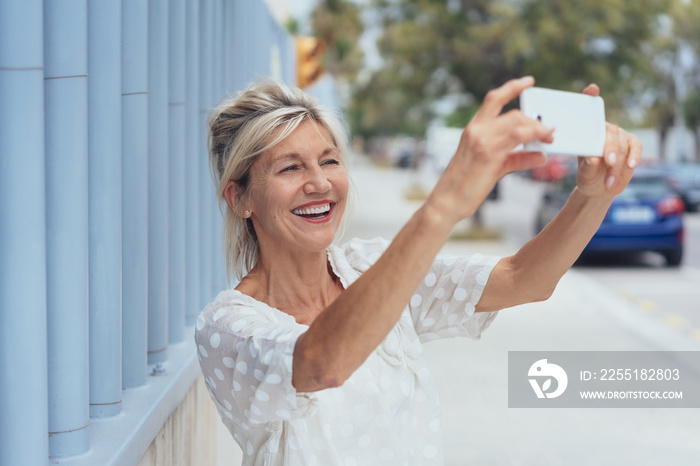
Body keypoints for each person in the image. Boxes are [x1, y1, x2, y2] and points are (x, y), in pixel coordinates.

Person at [195, 76, 641, 465]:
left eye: (329, 160)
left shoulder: (369, 267)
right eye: (290, 167)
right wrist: (443, 205)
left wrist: (594, 194)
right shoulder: (228, 327)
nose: (320, 182)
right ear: (240, 199)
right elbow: (321, 363)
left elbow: (523, 279)